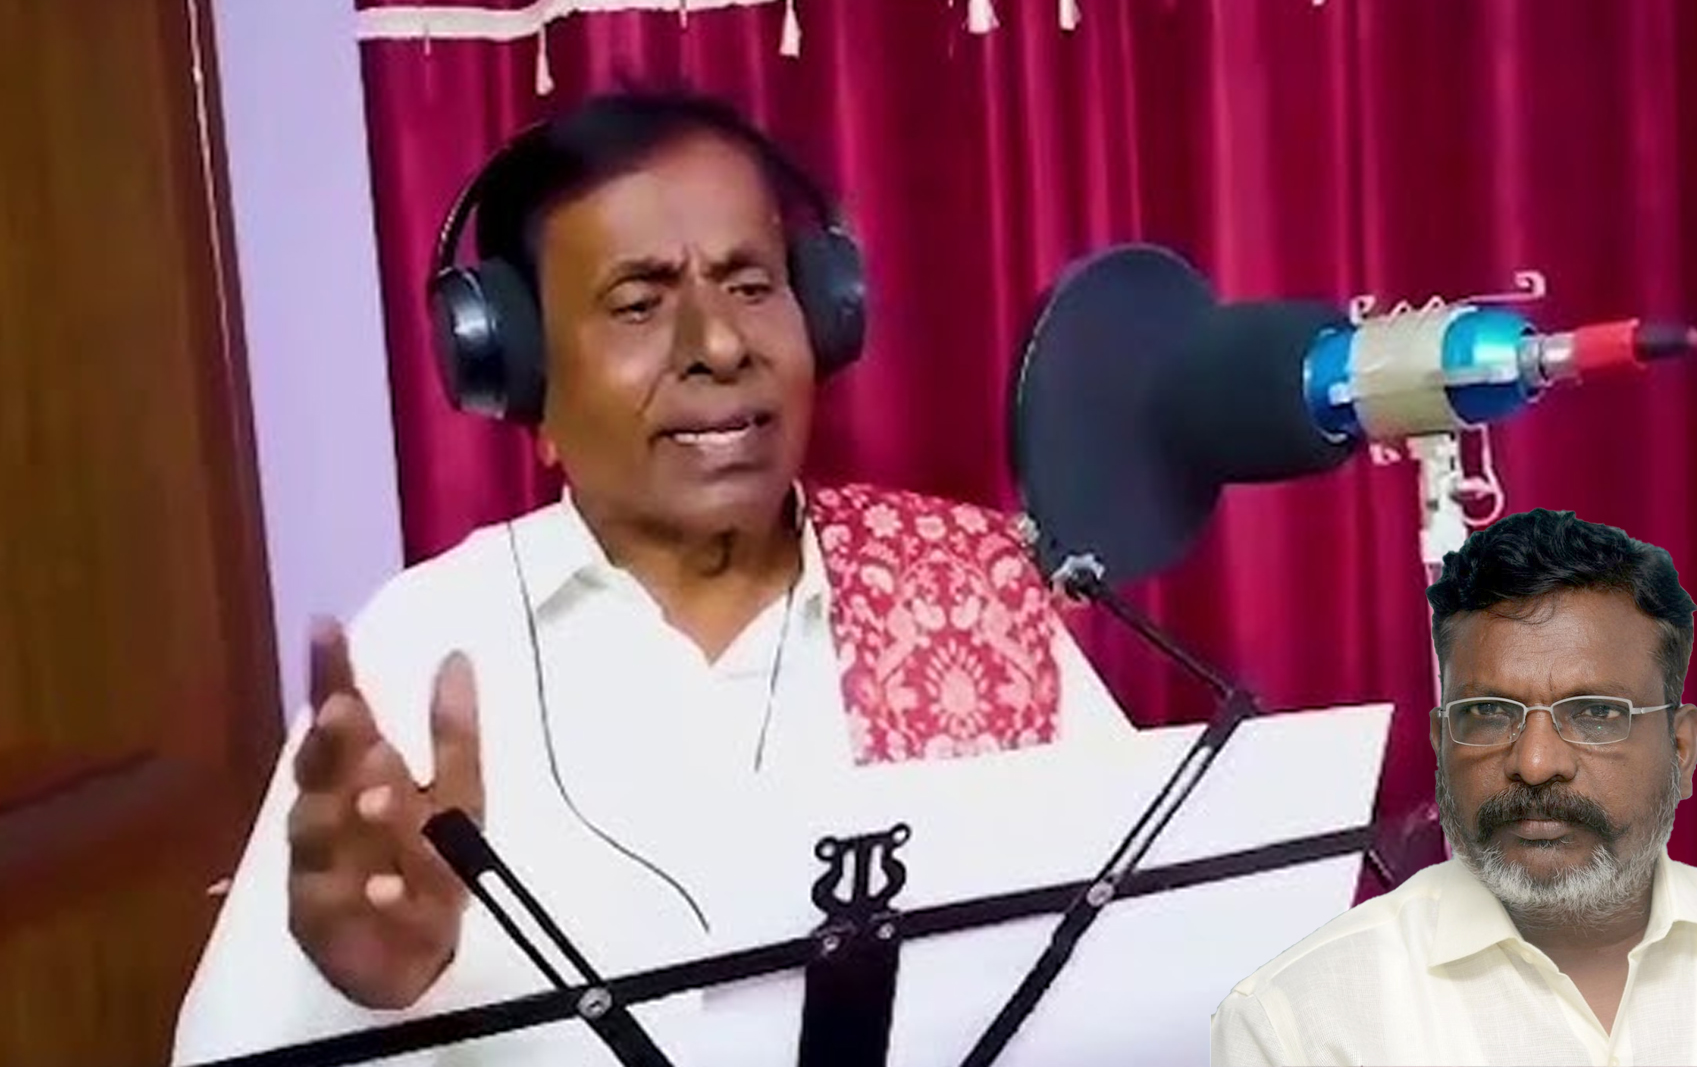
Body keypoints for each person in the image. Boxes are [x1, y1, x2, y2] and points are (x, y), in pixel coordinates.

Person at [171, 89, 1134, 1064]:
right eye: (639, 303)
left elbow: (1142, 961)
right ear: (521, 372)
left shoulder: (965, 595)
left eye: (751, 285)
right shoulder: (421, 648)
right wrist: (370, 999)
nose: (720, 345)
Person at [1211, 508, 1697, 1066]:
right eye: (1489, 714)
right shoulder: (1300, 1025)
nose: (1536, 762)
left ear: (1680, 751)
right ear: (1441, 748)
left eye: (1595, 714)